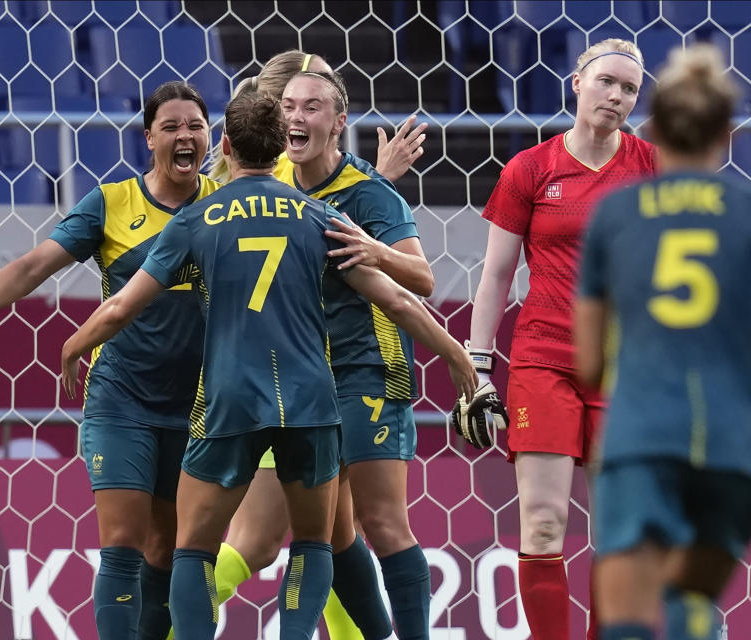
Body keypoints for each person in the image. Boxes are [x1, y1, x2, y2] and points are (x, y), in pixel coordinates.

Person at [58, 89, 477, 640]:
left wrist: (73, 345)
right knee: (315, 540)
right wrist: (456, 354)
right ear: (281, 146)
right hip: (311, 400)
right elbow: (399, 299)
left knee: (193, 549)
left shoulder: (194, 220)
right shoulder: (322, 218)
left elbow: (120, 307)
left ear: (225, 146)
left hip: (231, 399)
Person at [575, 44, 751, 640]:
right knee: (690, 597)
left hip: (644, 433)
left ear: (652, 126)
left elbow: (588, 363)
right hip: (738, 440)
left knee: (627, 616)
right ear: (728, 133)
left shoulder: (615, 214)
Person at [0, 81, 220, 639]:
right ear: (148, 137)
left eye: (195, 126)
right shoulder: (110, 202)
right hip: (121, 397)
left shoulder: (224, 205)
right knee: (123, 542)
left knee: (169, 551)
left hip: (201, 405)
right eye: (170, 126)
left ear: (210, 136)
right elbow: (37, 265)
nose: (184, 136)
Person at [201, 50, 429, 640]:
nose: (298, 115)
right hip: (298, 382)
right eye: (289, 105)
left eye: (313, 104)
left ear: (338, 117)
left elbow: (421, 280)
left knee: (369, 524)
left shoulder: (368, 195)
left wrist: (375, 245)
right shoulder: (275, 191)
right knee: (325, 531)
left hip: (369, 372)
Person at [452, 38, 655, 640]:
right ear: (576, 82)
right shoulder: (531, 169)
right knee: (542, 523)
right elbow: (494, 275)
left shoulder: (652, 167)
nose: (616, 97)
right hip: (543, 362)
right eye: (606, 82)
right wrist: (477, 367)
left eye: (629, 90)